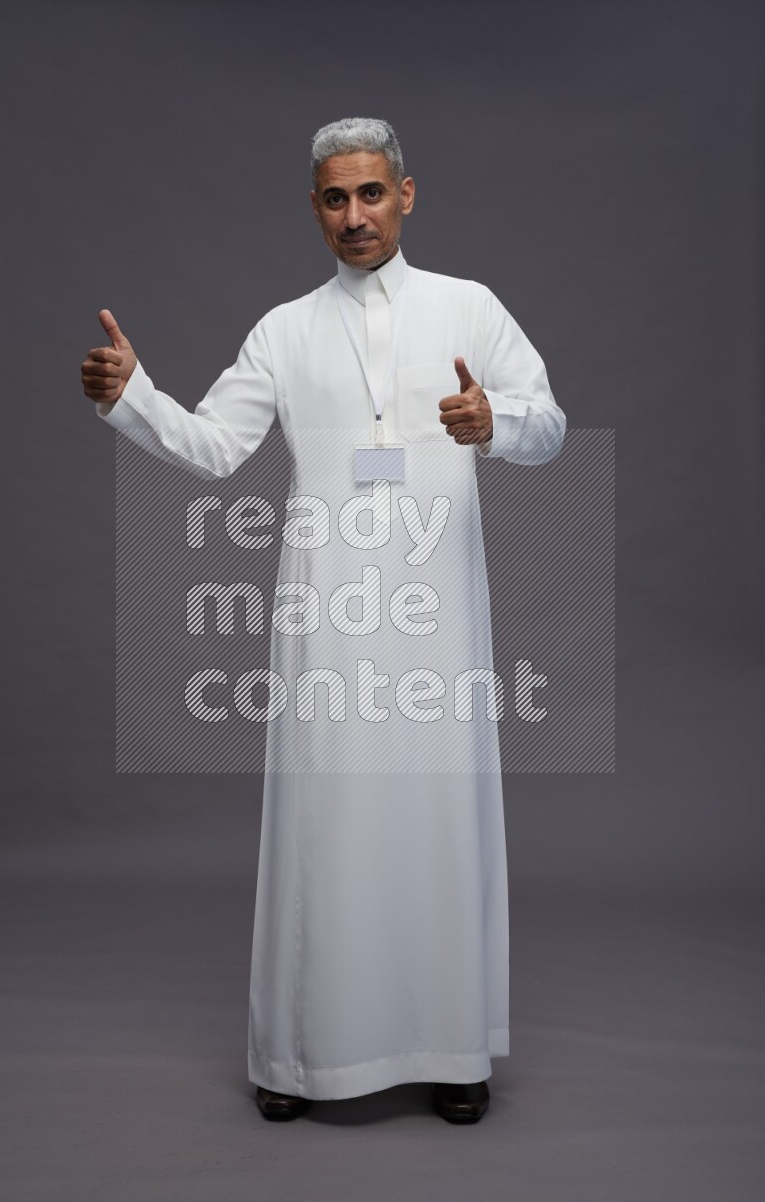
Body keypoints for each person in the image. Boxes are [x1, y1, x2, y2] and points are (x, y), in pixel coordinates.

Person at [81, 117, 566, 1124]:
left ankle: (451, 1048)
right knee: (325, 821)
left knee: (439, 816)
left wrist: (498, 424)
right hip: (327, 616)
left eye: (371, 194)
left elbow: (548, 422)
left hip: (436, 612)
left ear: (406, 194)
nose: (355, 216)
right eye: (335, 199)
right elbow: (216, 446)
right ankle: (301, 1055)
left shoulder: (465, 309)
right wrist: (136, 396)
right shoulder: (285, 329)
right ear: (314, 208)